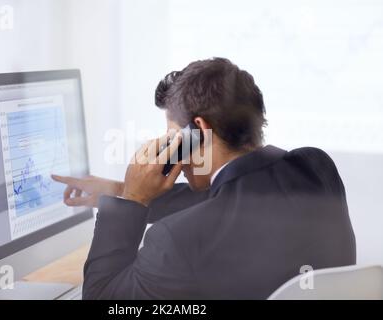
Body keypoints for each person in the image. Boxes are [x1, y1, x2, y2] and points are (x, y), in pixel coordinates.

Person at [52, 57, 356, 299]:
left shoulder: (174, 242)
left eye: (173, 138)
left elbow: (101, 296)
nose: (171, 150)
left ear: (198, 131)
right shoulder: (316, 168)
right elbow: (233, 199)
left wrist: (134, 199)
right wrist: (120, 190)